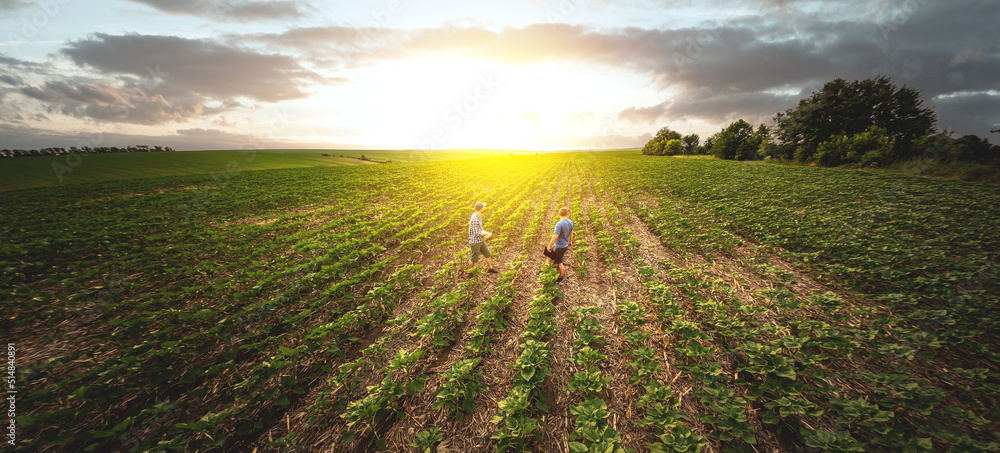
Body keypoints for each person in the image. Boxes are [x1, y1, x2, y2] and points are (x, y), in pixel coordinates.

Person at [467, 201, 500, 278]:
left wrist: (485, 234)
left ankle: (490, 269)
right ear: (481, 209)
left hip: (480, 240)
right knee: (474, 258)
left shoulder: (478, 216)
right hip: (475, 241)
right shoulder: (475, 218)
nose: (484, 208)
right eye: (483, 207)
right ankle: (469, 272)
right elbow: (477, 233)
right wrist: (487, 234)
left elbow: (480, 230)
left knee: (487, 254)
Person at [545, 207, 574, 283]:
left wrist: (549, 246)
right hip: (560, 245)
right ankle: (544, 270)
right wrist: (570, 241)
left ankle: (561, 276)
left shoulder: (559, 224)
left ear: (559, 214)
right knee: (549, 256)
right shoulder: (570, 222)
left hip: (560, 247)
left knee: (559, 262)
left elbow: (555, 236)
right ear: (567, 214)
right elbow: (571, 233)